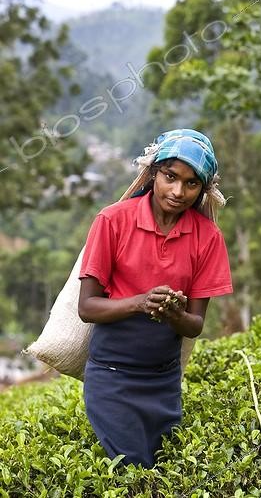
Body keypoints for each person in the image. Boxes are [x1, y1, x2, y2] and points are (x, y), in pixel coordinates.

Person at [78, 128, 233, 468]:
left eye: (192, 184)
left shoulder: (207, 237)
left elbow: (194, 326)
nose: (178, 191)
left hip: (163, 381)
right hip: (112, 378)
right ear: (152, 174)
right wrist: (140, 302)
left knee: (162, 471)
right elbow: (87, 308)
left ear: (203, 190)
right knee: (131, 470)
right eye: (170, 177)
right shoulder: (112, 220)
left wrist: (172, 313)